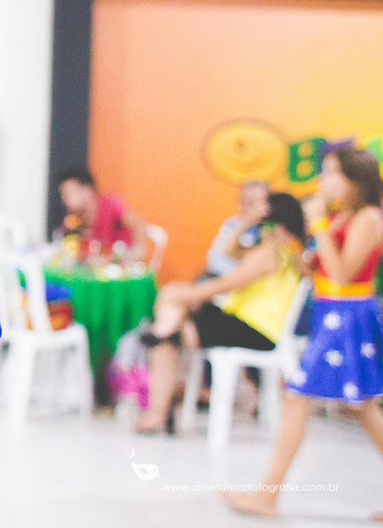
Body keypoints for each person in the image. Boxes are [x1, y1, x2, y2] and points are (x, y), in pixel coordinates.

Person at [226, 146, 383, 519]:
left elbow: (344, 274)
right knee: (361, 408)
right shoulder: (340, 216)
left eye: (332, 174)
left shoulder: (369, 218)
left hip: (347, 318)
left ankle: (267, 496)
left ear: (355, 181)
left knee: (299, 397)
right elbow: (321, 274)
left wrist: (319, 226)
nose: (323, 181)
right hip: (331, 313)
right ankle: (267, 495)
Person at [133, 191, 305, 434]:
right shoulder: (280, 251)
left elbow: (225, 285)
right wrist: (245, 221)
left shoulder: (271, 252)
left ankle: (158, 410)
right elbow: (228, 251)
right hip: (245, 322)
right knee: (169, 326)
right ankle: (159, 404)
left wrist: (178, 293)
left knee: (168, 321)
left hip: (253, 328)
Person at [55, 167, 148, 261]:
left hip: (119, 266)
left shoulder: (110, 205)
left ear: (86, 190)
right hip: (96, 269)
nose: (63, 199)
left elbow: (138, 224)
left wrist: (137, 251)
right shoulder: (74, 218)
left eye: (67, 193)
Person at [205, 179, 270, 278]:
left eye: (261, 202)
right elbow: (227, 250)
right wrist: (246, 222)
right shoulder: (232, 224)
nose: (256, 209)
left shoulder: (267, 230)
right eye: (249, 203)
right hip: (216, 274)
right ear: (239, 204)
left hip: (237, 283)